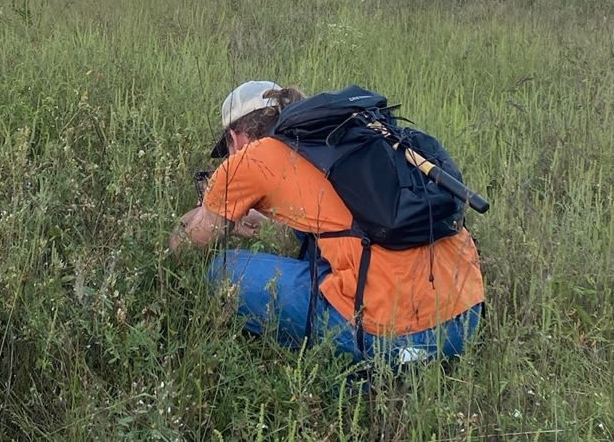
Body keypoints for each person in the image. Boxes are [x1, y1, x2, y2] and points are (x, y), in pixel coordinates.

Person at [169, 80, 484, 367]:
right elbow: (340, 220)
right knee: (311, 245)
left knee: (221, 270)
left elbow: (186, 248)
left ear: (235, 137)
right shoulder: (342, 134)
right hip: (465, 317)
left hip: (390, 337)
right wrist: (250, 221)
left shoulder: (250, 159)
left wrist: (200, 211)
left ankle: (339, 370)